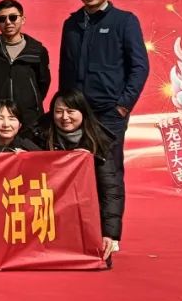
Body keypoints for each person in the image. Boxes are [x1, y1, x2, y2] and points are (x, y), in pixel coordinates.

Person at [58, 0, 149, 186]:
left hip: (109, 112)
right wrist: (65, 106)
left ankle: (108, 212)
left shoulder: (124, 21)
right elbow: (65, 68)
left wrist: (123, 105)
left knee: (108, 174)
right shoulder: (72, 24)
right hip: (77, 113)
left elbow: (140, 67)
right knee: (77, 173)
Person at [41, 89, 123, 260]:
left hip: (84, 214)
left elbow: (111, 191)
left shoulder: (98, 142)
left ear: (83, 112)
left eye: (70, 111)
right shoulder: (39, 136)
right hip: (46, 215)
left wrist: (109, 234)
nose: (64, 117)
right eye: (58, 111)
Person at [0, 0, 51, 136]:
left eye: (13, 17)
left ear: (23, 19)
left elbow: (43, 84)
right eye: (2, 19)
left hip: (30, 121)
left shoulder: (37, 51)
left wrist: (30, 103)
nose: (8, 22)